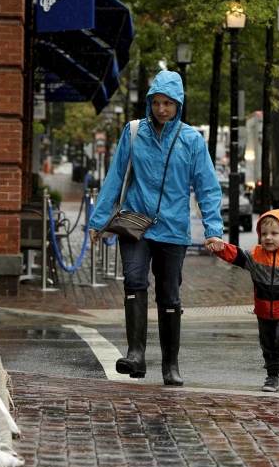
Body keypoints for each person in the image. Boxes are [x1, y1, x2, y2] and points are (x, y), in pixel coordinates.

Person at [88, 70, 224, 385]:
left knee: (169, 295)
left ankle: (170, 366)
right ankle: (135, 354)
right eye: (157, 102)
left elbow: (207, 188)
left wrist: (213, 229)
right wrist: (98, 222)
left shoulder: (191, 140)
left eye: (169, 103)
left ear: (178, 104)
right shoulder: (134, 132)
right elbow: (115, 177)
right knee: (134, 282)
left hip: (174, 229)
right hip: (136, 225)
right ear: (150, 102)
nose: (162, 109)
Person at [209, 209, 279, 392]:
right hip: (263, 310)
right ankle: (272, 377)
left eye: (274, 234)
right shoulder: (255, 256)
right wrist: (220, 248)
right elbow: (236, 255)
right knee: (268, 345)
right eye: (264, 234)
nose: (268, 238)